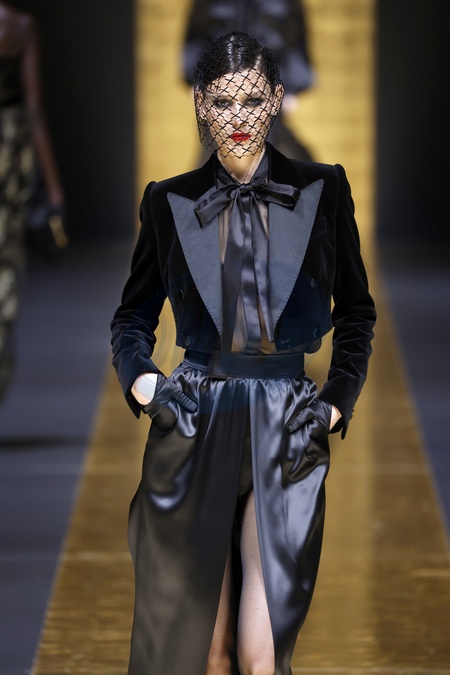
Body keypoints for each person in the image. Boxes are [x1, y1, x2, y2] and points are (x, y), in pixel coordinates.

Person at [111, 32, 375, 675]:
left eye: (253, 101)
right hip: (196, 418)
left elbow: (357, 311)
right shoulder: (168, 200)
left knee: (260, 657)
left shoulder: (323, 189)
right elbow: (132, 317)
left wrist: (336, 403)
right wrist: (146, 386)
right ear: (200, 104)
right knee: (208, 654)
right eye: (223, 102)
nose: (238, 117)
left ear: (278, 99)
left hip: (287, 421)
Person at [0, 1, 65, 399]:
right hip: (10, 156)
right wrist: (54, 190)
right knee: (6, 261)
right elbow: (34, 111)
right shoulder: (19, 26)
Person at [183, 0, 315, 161]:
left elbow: (294, 32)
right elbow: (198, 29)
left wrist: (292, 85)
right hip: (220, 78)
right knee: (217, 145)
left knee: (270, 143)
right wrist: (195, 77)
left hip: (268, 79)